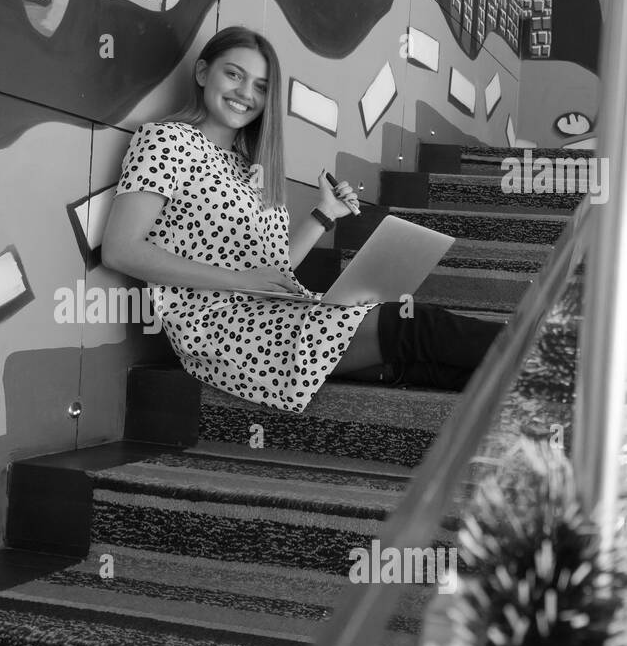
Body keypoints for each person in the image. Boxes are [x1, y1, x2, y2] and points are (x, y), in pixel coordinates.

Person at [101, 25, 501, 414]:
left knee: (439, 369)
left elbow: (274, 271)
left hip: (277, 313)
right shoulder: (167, 140)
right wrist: (244, 281)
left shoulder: (251, 167)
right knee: (416, 326)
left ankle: (551, 382)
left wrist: (326, 214)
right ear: (204, 72)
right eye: (234, 74)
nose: (245, 93)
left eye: (260, 86)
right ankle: (552, 351)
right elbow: (121, 251)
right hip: (220, 331)